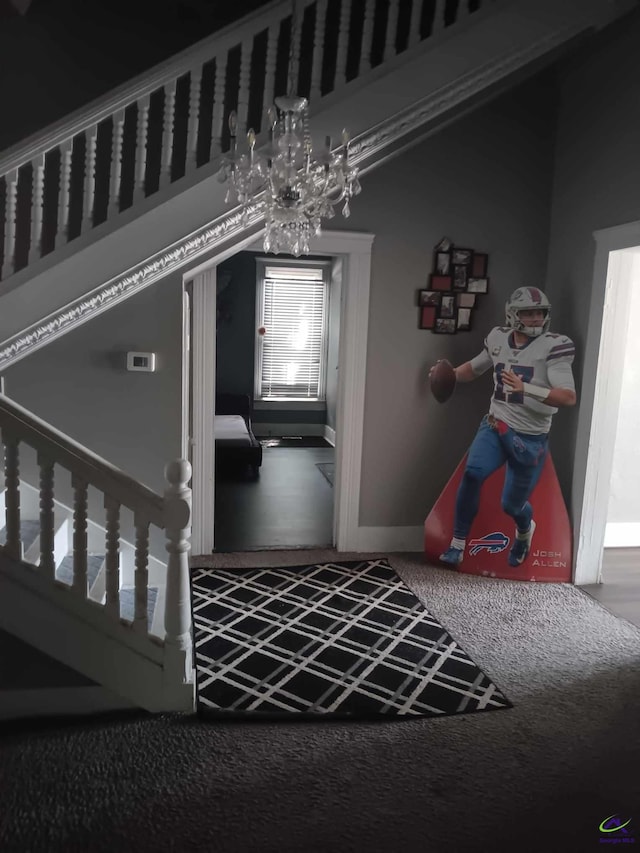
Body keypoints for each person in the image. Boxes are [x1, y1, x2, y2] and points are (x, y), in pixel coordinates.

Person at [432, 286, 577, 568]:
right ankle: (458, 544)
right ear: (512, 315)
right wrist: (448, 375)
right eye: (528, 313)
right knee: (473, 473)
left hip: (531, 437)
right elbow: (474, 368)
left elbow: (568, 396)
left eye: (539, 313)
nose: (535, 318)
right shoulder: (498, 338)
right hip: (496, 423)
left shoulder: (555, 345)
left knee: (511, 505)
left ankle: (524, 531)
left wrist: (528, 388)